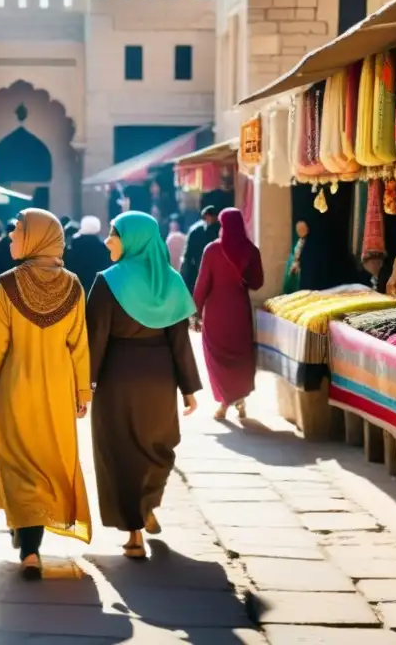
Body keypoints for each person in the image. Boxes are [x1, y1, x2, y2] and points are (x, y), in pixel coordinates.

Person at [0, 208, 93, 578]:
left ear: (34, 238)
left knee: (18, 462)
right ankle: (31, 544)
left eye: (17, 233)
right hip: (58, 391)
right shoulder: (74, 285)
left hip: (14, 389)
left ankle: (27, 544)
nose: (12, 239)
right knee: (48, 461)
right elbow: (79, 344)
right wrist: (82, 391)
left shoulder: (6, 285)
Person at [87, 212, 200, 559]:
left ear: (134, 239)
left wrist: (84, 384)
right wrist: (188, 387)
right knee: (158, 446)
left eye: (114, 234)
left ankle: (134, 532)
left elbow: (96, 339)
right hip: (159, 377)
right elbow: (180, 341)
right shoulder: (172, 283)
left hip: (117, 379)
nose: (108, 241)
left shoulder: (108, 282)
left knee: (119, 452)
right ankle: (147, 505)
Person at [194, 207, 264, 421]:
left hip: (216, 312)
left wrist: (194, 312)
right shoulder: (251, 250)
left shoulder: (212, 250)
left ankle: (224, 402)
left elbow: (202, 284)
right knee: (240, 356)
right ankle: (239, 399)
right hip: (239, 312)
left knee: (217, 356)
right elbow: (258, 283)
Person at [64, 216, 112, 294]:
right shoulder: (104, 246)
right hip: (97, 286)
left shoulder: (74, 244)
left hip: (77, 285)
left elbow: (69, 263)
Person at [180, 206, 219, 294]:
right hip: (202, 274)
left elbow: (187, 258)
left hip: (203, 274)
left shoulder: (195, 230)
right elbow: (187, 258)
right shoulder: (196, 231)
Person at [282, 220, 324, 294]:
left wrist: (299, 262)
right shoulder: (300, 240)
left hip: (306, 272)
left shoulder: (311, 242)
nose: (299, 231)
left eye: (302, 229)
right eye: (298, 229)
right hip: (297, 272)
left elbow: (308, 257)